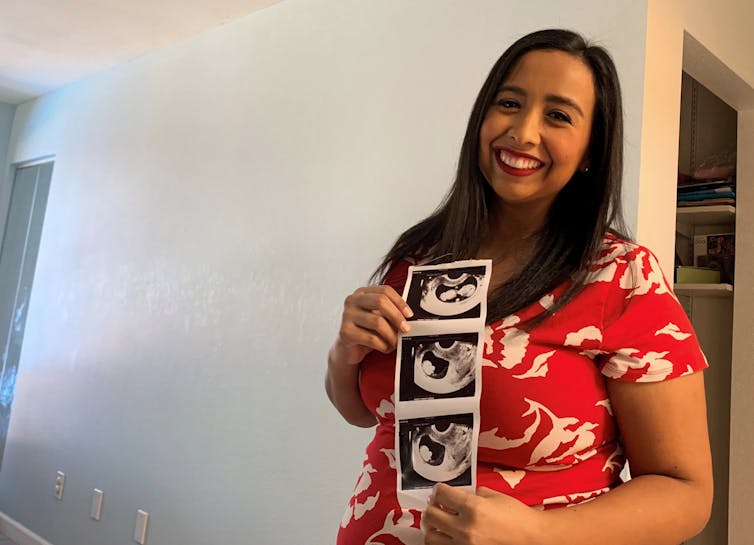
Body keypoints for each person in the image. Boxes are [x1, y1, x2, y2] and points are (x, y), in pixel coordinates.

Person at [325, 28, 712, 545]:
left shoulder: (621, 276)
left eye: (557, 115)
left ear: (590, 150)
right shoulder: (423, 253)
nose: (523, 132)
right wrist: (343, 354)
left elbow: (685, 492)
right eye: (509, 103)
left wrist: (539, 533)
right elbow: (363, 413)